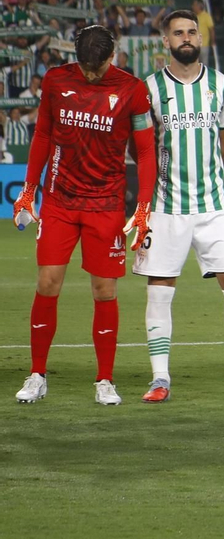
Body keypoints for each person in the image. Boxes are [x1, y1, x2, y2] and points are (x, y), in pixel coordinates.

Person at [132, 10, 224, 403]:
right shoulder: (150, 89)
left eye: (192, 31)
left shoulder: (223, 86)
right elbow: (140, 147)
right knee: (160, 289)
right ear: (165, 41)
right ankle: (160, 379)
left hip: (214, 206)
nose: (187, 38)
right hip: (167, 206)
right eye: (178, 33)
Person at [14, 25, 157, 406]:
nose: (92, 74)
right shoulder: (56, 81)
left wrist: (143, 206)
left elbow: (145, 152)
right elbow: (43, 134)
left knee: (104, 290)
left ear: (113, 56)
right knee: (47, 283)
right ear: (75, 56)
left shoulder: (132, 90)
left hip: (106, 203)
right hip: (60, 200)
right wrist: (29, 189)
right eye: (86, 67)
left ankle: (105, 380)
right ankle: (37, 374)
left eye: (98, 68)